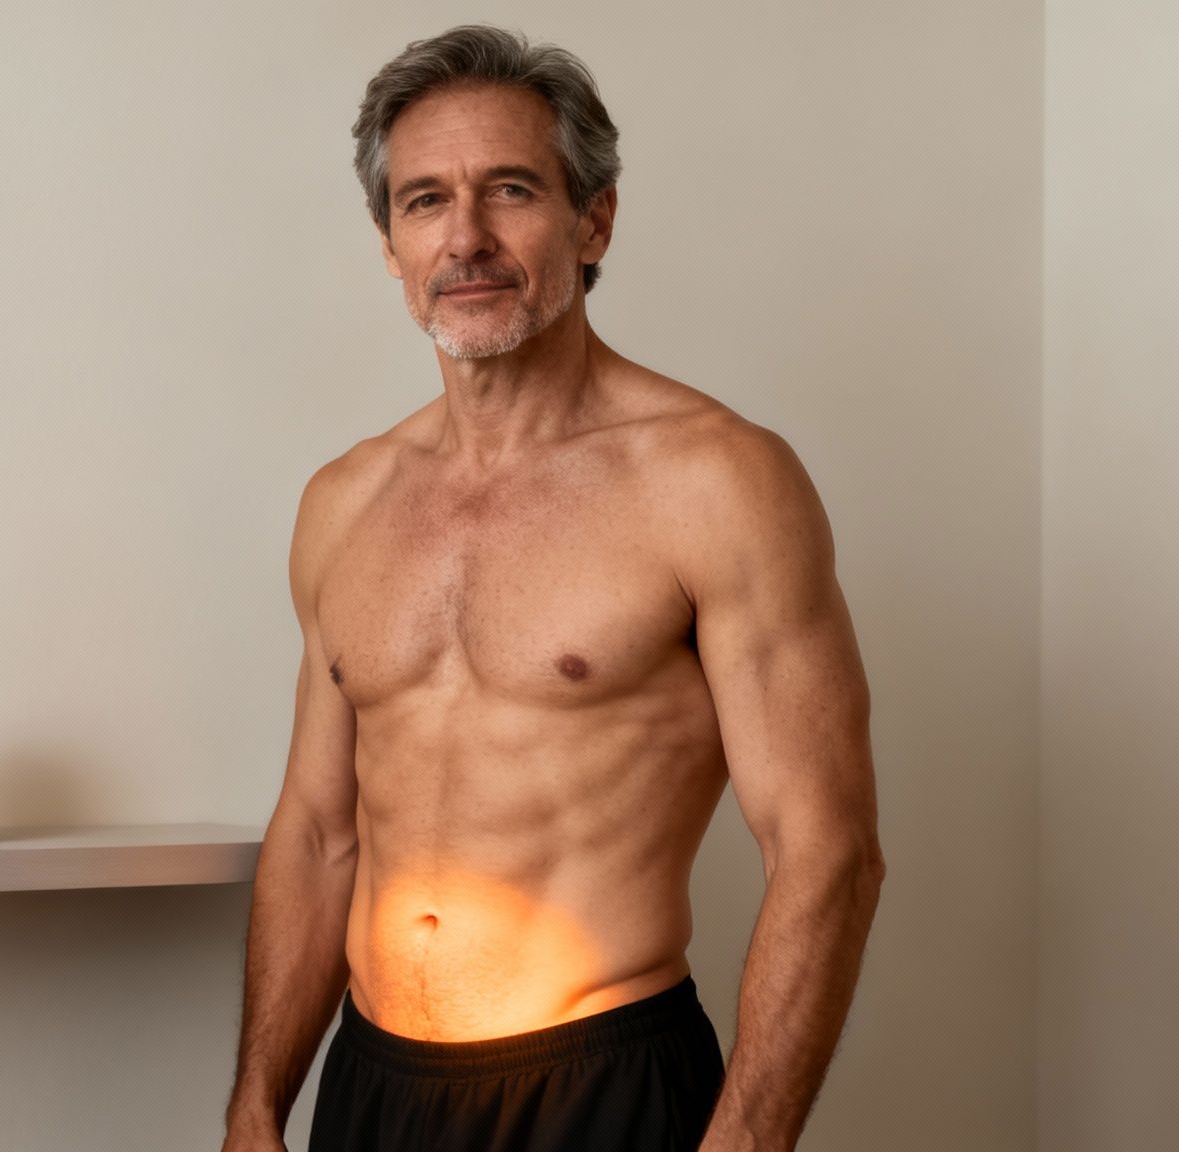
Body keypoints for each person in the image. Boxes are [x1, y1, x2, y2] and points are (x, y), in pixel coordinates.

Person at [221, 24, 885, 1152]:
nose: (465, 237)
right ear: (388, 242)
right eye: (425, 200)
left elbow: (825, 847)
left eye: (510, 190)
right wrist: (253, 1109)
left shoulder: (716, 482)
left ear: (594, 220)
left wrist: (747, 1141)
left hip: (602, 1087)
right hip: (372, 1089)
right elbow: (318, 833)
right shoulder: (343, 502)